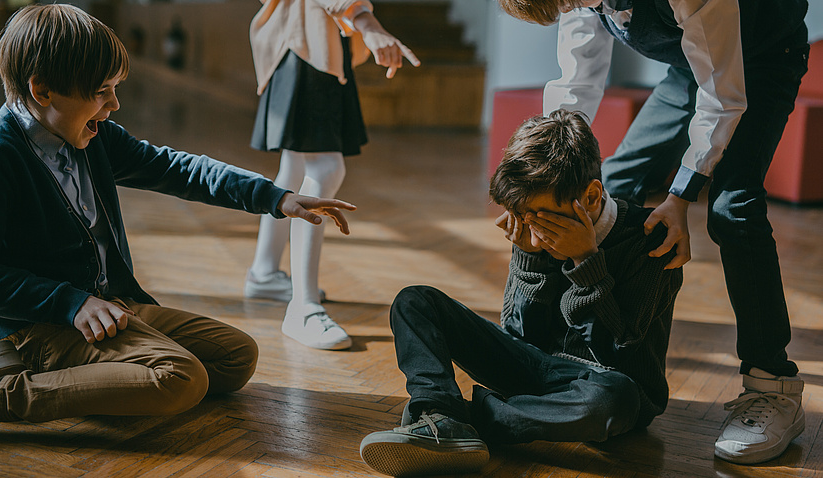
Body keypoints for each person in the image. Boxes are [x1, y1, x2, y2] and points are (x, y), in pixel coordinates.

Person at [0, 4, 356, 427]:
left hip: (112, 308)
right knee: (182, 378)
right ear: (42, 90)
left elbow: (175, 168)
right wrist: (71, 302)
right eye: (102, 92)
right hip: (39, 330)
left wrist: (274, 197)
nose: (114, 104)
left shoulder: (89, 134)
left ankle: (99, 374)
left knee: (235, 356)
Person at [497, 0, 810, 466]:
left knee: (732, 211)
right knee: (608, 191)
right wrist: (551, 172)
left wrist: (680, 197)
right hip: (690, 69)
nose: (572, 8)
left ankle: (772, 385)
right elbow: (578, 79)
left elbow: (724, 96)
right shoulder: (575, 0)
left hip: (762, 59)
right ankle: (584, 356)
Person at [359, 110, 684, 476]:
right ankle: (437, 411)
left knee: (613, 398)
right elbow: (520, 338)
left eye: (546, 219)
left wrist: (585, 260)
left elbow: (613, 353)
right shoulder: (532, 225)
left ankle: (461, 421)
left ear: (591, 196)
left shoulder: (652, 241)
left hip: (604, 384)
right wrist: (530, 259)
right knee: (414, 301)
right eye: (523, 216)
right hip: (535, 369)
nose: (536, 230)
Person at [243, 0, 419, 350]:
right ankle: (303, 307)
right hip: (308, 41)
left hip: (314, 39)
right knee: (326, 167)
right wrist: (366, 22)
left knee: (295, 164)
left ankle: (264, 273)